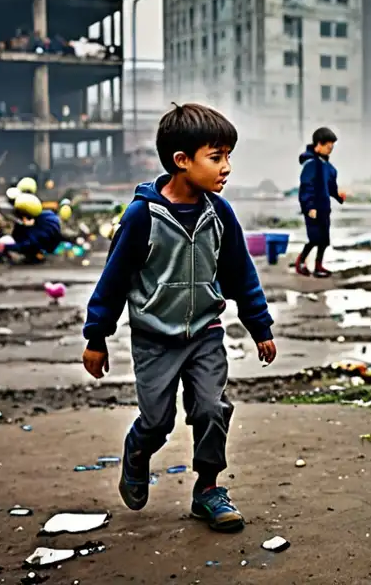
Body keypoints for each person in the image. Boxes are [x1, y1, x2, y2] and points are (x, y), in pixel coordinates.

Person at [81, 103, 277, 533]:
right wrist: (97, 335)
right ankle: (137, 451)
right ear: (181, 161)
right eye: (216, 156)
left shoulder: (219, 214)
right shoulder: (142, 217)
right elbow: (114, 279)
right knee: (158, 421)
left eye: (228, 157)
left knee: (211, 408)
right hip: (154, 339)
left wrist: (259, 326)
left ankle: (208, 489)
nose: (226, 168)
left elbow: (241, 274)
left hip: (205, 333)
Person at [295, 126, 345, 278]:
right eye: (327, 146)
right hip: (313, 209)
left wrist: (338, 196)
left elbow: (330, 187)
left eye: (331, 147)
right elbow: (306, 187)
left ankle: (318, 266)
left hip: (324, 208)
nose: (330, 149)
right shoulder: (311, 164)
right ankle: (301, 261)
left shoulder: (328, 167)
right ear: (318, 145)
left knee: (324, 240)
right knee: (314, 238)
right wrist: (309, 206)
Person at [0, 192, 62, 263]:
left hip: (47, 252)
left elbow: (29, 245)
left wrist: (4, 246)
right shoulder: (46, 216)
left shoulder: (41, 228)